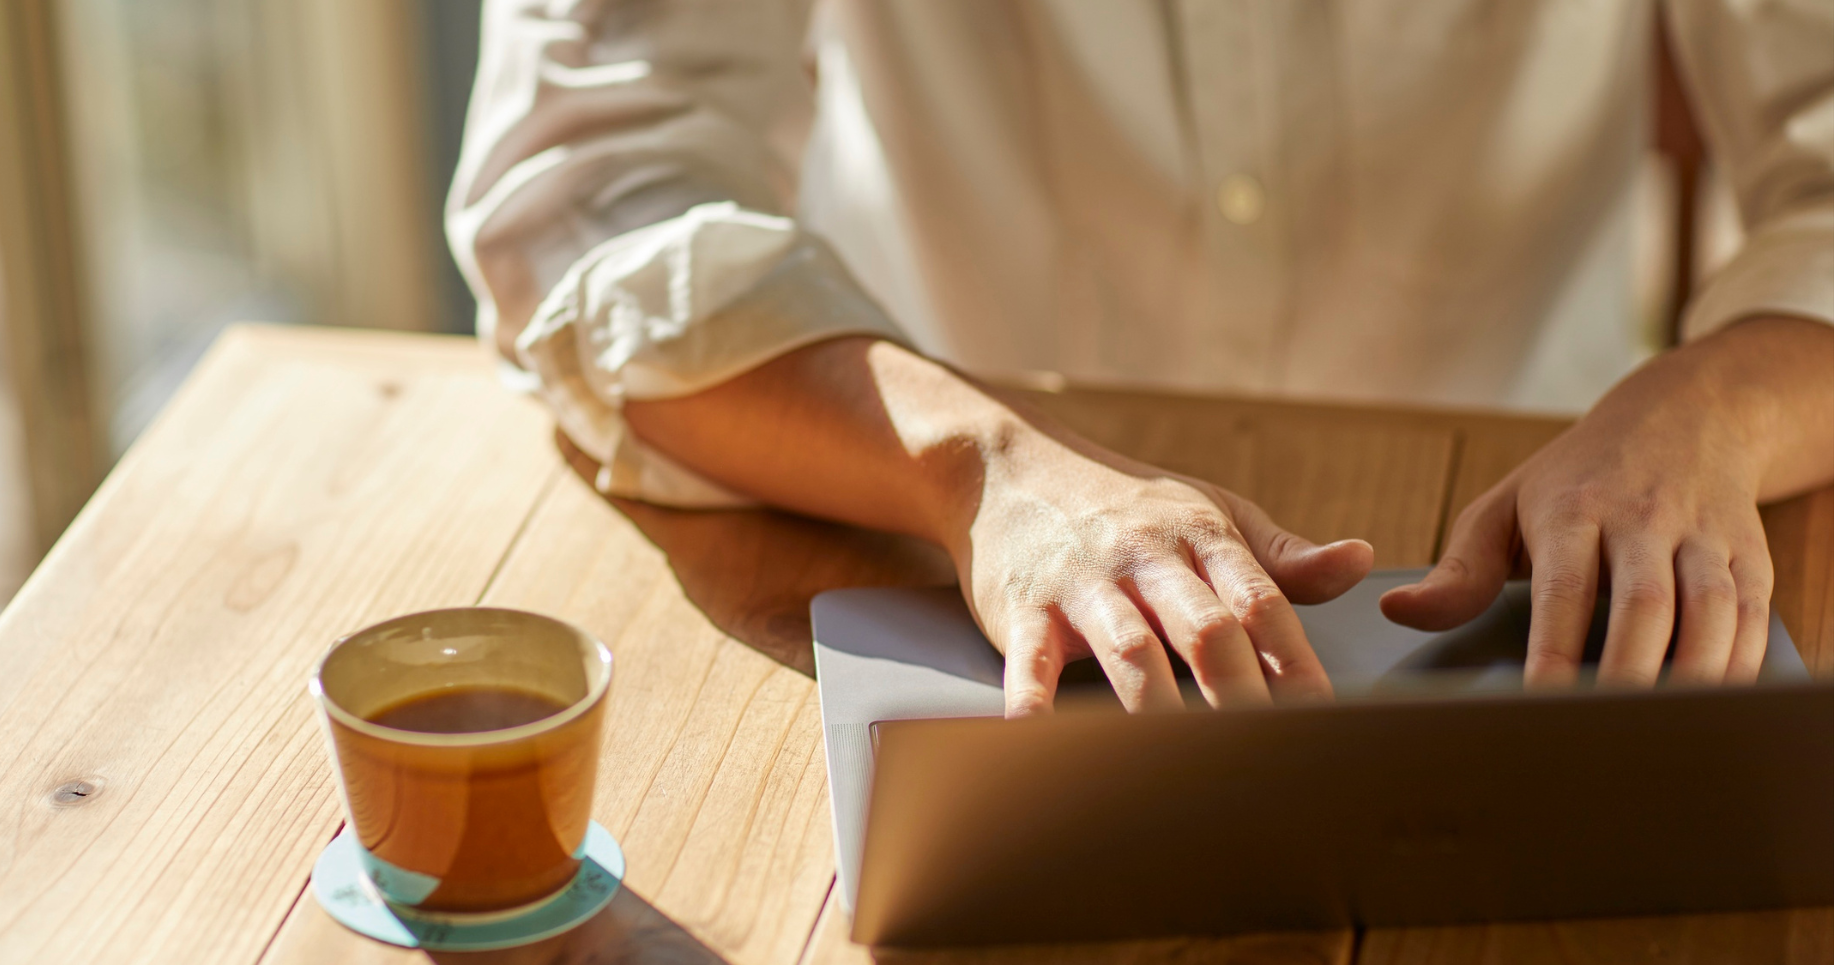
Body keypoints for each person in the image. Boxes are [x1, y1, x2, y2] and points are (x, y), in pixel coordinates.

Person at [448, 1, 1834, 716]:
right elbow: (592, 189)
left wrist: (1709, 407)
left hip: (1543, 530)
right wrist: (975, 464)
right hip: (912, 545)